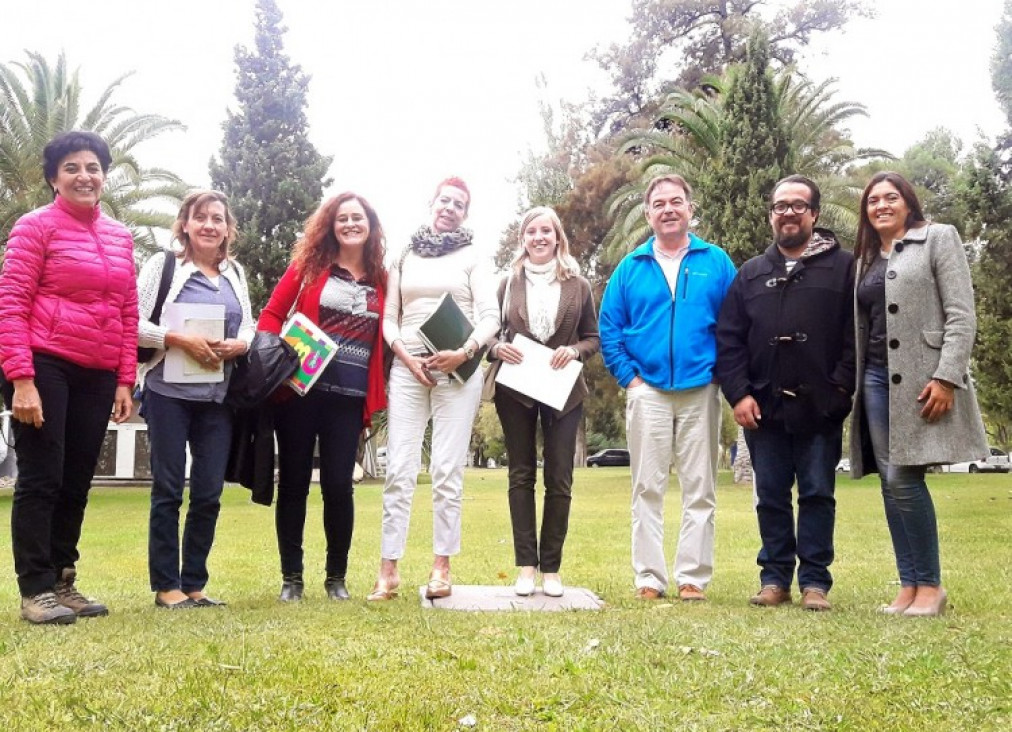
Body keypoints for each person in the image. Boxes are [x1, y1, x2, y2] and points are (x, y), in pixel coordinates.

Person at [0, 130, 137, 624]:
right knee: (42, 476)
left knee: (77, 479)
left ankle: (62, 577)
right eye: (73, 168)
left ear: (104, 175)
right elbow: (11, 305)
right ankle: (35, 589)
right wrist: (21, 378)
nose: (85, 176)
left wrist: (125, 379)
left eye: (93, 167)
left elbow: (126, 310)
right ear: (54, 178)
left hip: (98, 371)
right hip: (45, 362)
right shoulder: (34, 228)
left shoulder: (120, 236)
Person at [851, 172, 987, 617]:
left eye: (891, 197)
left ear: (909, 203)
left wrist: (947, 376)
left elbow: (961, 314)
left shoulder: (938, 238)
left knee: (904, 479)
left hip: (920, 380)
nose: (881, 205)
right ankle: (907, 586)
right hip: (873, 377)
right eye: (873, 200)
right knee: (891, 485)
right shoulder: (866, 257)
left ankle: (930, 586)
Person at [716, 175, 855, 611]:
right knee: (771, 496)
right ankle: (774, 578)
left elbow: (857, 335)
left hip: (821, 407)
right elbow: (729, 339)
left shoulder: (844, 268)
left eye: (798, 205)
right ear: (771, 215)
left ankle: (815, 582)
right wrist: (738, 394)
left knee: (817, 494)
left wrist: (840, 388)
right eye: (780, 206)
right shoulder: (751, 273)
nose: (788, 213)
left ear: (814, 214)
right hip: (764, 409)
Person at [599, 173, 736, 602]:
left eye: (676, 202)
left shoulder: (716, 261)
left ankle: (692, 577)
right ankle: (649, 579)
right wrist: (631, 380)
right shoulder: (630, 267)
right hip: (648, 391)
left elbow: (736, 323)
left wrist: (720, 372)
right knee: (647, 487)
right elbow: (610, 328)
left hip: (701, 389)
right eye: (659, 204)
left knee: (700, 487)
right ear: (648, 213)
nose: (668, 209)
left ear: (690, 209)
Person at [368, 177, 498, 601]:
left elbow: (490, 316)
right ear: (432, 203)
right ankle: (388, 570)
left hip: (457, 369)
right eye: (445, 200)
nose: (450, 208)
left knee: (446, 468)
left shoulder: (474, 257)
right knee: (400, 468)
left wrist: (464, 352)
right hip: (409, 368)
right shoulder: (404, 256)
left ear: (466, 213)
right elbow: (389, 318)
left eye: (459, 204)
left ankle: (442, 566)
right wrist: (404, 356)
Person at [259, 193, 388, 602]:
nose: (350, 224)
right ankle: (291, 579)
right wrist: (278, 348)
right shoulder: (309, 267)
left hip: (349, 398)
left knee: (339, 486)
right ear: (331, 225)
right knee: (294, 483)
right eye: (342, 218)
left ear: (370, 226)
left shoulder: (382, 278)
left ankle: (336, 578)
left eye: (358, 218)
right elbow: (271, 314)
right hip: (300, 392)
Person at [137, 190, 254, 609]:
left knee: (208, 492)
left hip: (218, 399)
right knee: (168, 488)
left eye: (217, 219)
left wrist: (240, 345)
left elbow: (250, 328)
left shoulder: (235, 274)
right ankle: (166, 587)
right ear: (185, 224)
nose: (209, 225)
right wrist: (175, 338)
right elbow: (132, 324)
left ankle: (194, 584)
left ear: (227, 228)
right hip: (167, 394)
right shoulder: (163, 265)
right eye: (200, 217)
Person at [489, 206, 600, 598]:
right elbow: (490, 334)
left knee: (559, 477)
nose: (538, 237)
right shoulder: (507, 283)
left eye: (546, 231)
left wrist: (574, 351)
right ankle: (526, 566)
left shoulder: (578, 285)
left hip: (562, 391)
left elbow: (592, 337)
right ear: (523, 239)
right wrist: (497, 348)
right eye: (531, 231)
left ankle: (551, 568)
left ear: (557, 237)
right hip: (516, 391)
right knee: (520, 474)